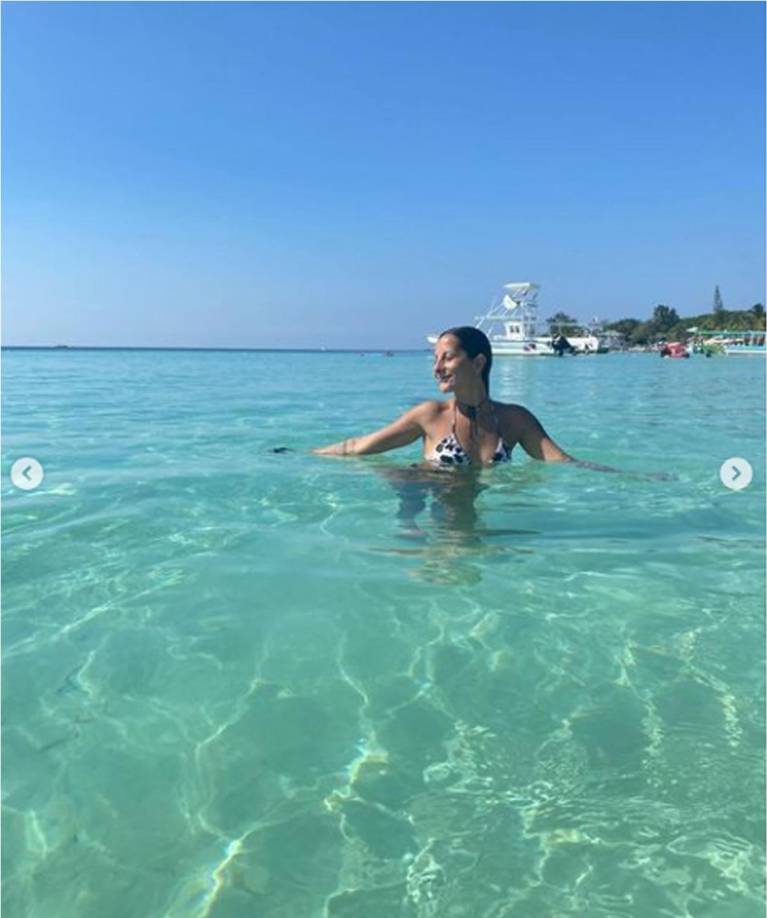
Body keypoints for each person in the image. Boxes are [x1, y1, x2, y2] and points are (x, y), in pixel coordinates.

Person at [313, 326, 585, 468]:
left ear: (478, 363)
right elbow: (356, 447)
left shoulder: (514, 419)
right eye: (435, 359)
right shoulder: (430, 415)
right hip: (428, 507)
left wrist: (620, 477)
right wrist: (298, 456)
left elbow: (563, 462)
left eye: (448, 358)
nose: (437, 368)